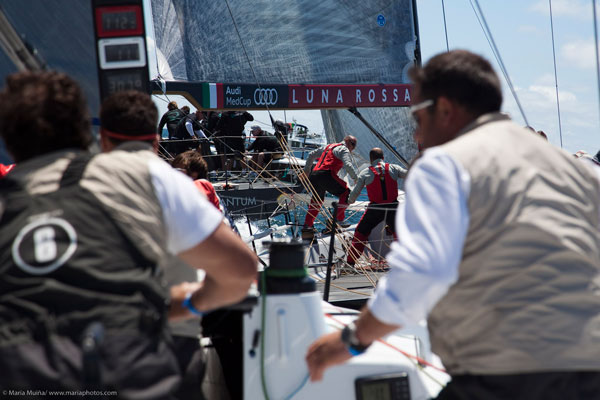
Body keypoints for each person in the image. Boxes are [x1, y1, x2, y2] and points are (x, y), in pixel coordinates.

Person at [306, 50, 600, 399]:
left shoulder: (446, 163)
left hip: (509, 373)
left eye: (417, 117)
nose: (415, 134)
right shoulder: (573, 168)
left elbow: (419, 277)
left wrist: (351, 341)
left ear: (444, 109)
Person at [0, 73, 257, 397]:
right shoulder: (145, 176)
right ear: (86, 130)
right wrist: (187, 304)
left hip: (23, 378)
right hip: (135, 375)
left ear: (9, 140)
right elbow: (241, 271)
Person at [346, 148, 407, 267]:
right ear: (383, 157)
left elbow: (355, 193)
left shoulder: (365, 173)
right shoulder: (394, 168)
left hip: (375, 209)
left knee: (360, 233)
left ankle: (350, 263)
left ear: (371, 159)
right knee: (399, 234)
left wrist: (348, 201)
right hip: (393, 208)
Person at [302, 135, 358, 230]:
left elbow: (311, 154)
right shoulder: (344, 149)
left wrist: (306, 171)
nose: (353, 147)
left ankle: (307, 227)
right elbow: (348, 165)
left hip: (314, 175)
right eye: (353, 144)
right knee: (347, 192)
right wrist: (356, 178)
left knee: (316, 201)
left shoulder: (329, 146)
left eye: (354, 145)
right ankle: (337, 219)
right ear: (347, 141)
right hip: (326, 174)